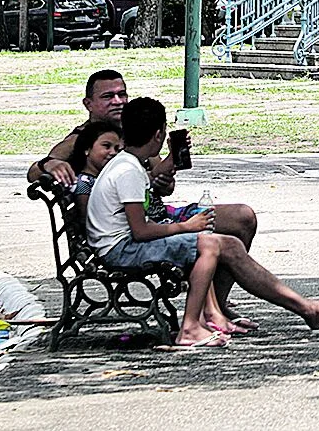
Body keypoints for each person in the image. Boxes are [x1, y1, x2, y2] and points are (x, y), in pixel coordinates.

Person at [85, 97, 319, 348]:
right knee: (213, 245)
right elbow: (140, 230)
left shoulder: (129, 164)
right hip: (121, 249)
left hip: (124, 242)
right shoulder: (127, 171)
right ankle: (193, 327)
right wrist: (187, 226)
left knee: (227, 242)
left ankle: (306, 310)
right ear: (158, 134)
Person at [30, 69, 264, 326]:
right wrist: (49, 165)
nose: (117, 101)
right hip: (130, 232)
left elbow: (161, 185)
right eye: (108, 96)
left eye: (122, 94)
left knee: (242, 217)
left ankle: (217, 305)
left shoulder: (134, 132)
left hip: (159, 214)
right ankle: (210, 312)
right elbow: (35, 171)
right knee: (211, 241)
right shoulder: (84, 138)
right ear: (89, 104)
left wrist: (166, 174)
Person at [67, 121, 122, 196]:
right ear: (87, 149)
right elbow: (87, 207)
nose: (113, 152)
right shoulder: (84, 183)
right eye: (106, 146)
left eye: (116, 149)